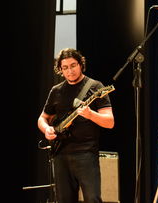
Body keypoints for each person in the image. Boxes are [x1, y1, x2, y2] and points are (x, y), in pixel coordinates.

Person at [38, 48, 114, 203]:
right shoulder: (56, 91)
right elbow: (42, 119)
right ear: (60, 70)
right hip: (61, 154)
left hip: (86, 154)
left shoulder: (95, 86)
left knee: (93, 199)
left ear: (81, 64)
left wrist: (91, 114)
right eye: (65, 68)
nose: (69, 71)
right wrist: (47, 129)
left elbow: (110, 122)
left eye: (73, 65)